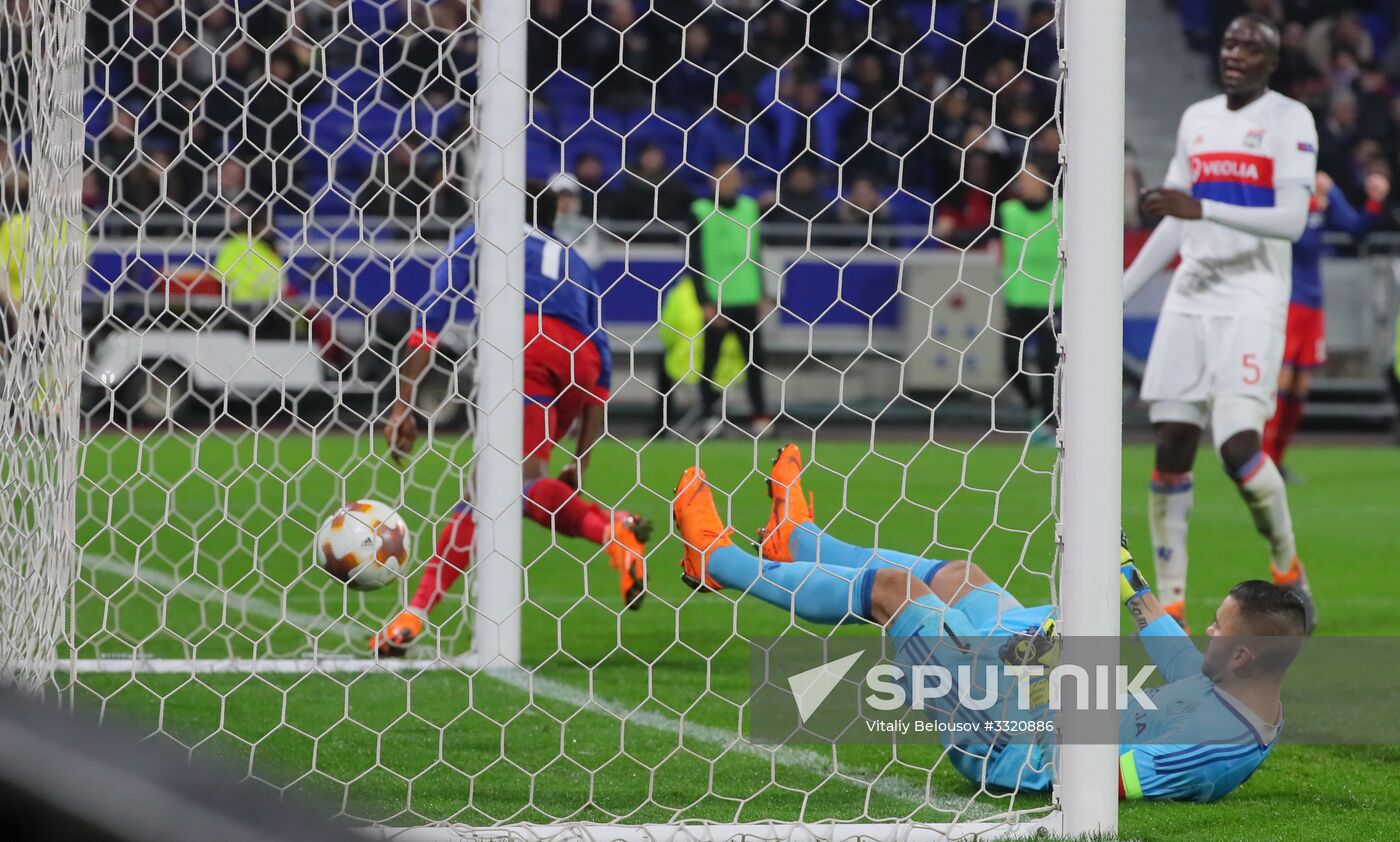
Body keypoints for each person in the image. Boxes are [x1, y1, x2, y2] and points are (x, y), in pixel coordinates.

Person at [672, 443, 1306, 802]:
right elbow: (1178, 660)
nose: (1208, 633)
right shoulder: (1240, 689)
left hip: (1005, 742)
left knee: (895, 593)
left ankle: (716, 559)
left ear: (1244, 654)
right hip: (1044, 696)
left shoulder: (1212, 746)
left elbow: (1098, 781)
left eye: (1219, 629)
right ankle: (798, 539)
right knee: (960, 579)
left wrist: (1040, 679)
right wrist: (1125, 573)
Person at [373, 181, 650, 656]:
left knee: (495, 490)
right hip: (578, 360)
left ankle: (415, 615)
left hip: (524, 342)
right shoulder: (573, 260)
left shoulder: (486, 233)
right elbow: (601, 364)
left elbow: (431, 318)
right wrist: (581, 459)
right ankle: (612, 524)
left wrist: (403, 407)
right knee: (509, 485)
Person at [1122, 14, 1318, 633]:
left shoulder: (1290, 120)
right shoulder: (1198, 118)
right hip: (1193, 292)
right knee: (1171, 443)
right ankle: (1173, 606)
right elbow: (1176, 220)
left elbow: (1291, 220)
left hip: (1253, 295)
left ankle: (1287, 563)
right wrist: (1117, 294)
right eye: (1231, 42)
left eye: (1252, 47)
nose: (1236, 53)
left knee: (1237, 448)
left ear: (1272, 62)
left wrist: (1202, 206)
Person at [1263, 170, 1389, 473]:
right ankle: (1263, 460)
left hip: (1313, 302)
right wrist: (1311, 204)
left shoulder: (1322, 192)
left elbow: (1356, 229)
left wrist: (1372, 201)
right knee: (1281, 379)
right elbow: (1295, 239)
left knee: (1301, 387)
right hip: (1288, 298)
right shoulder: (1286, 193)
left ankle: (1277, 459)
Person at [687, 159, 775, 433]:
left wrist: (762, 292)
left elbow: (756, 253)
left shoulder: (749, 208)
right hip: (718, 298)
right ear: (711, 182)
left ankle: (760, 416)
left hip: (747, 296)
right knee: (710, 362)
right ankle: (709, 416)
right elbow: (694, 259)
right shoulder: (700, 210)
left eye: (733, 177)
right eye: (722, 177)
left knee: (755, 361)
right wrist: (705, 301)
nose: (729, 182)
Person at [997, 160, 1061, 442]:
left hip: (1053, 299)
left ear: (1045, 180)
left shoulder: (1063, 211)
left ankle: (1047, 422)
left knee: (1049, 365)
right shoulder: (1007, 211)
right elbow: (981, 233)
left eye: (1029, 177)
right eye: (1020, 178)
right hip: (1018, 299)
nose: (1023, 183)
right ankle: (1032, 406)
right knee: (1011, 361)